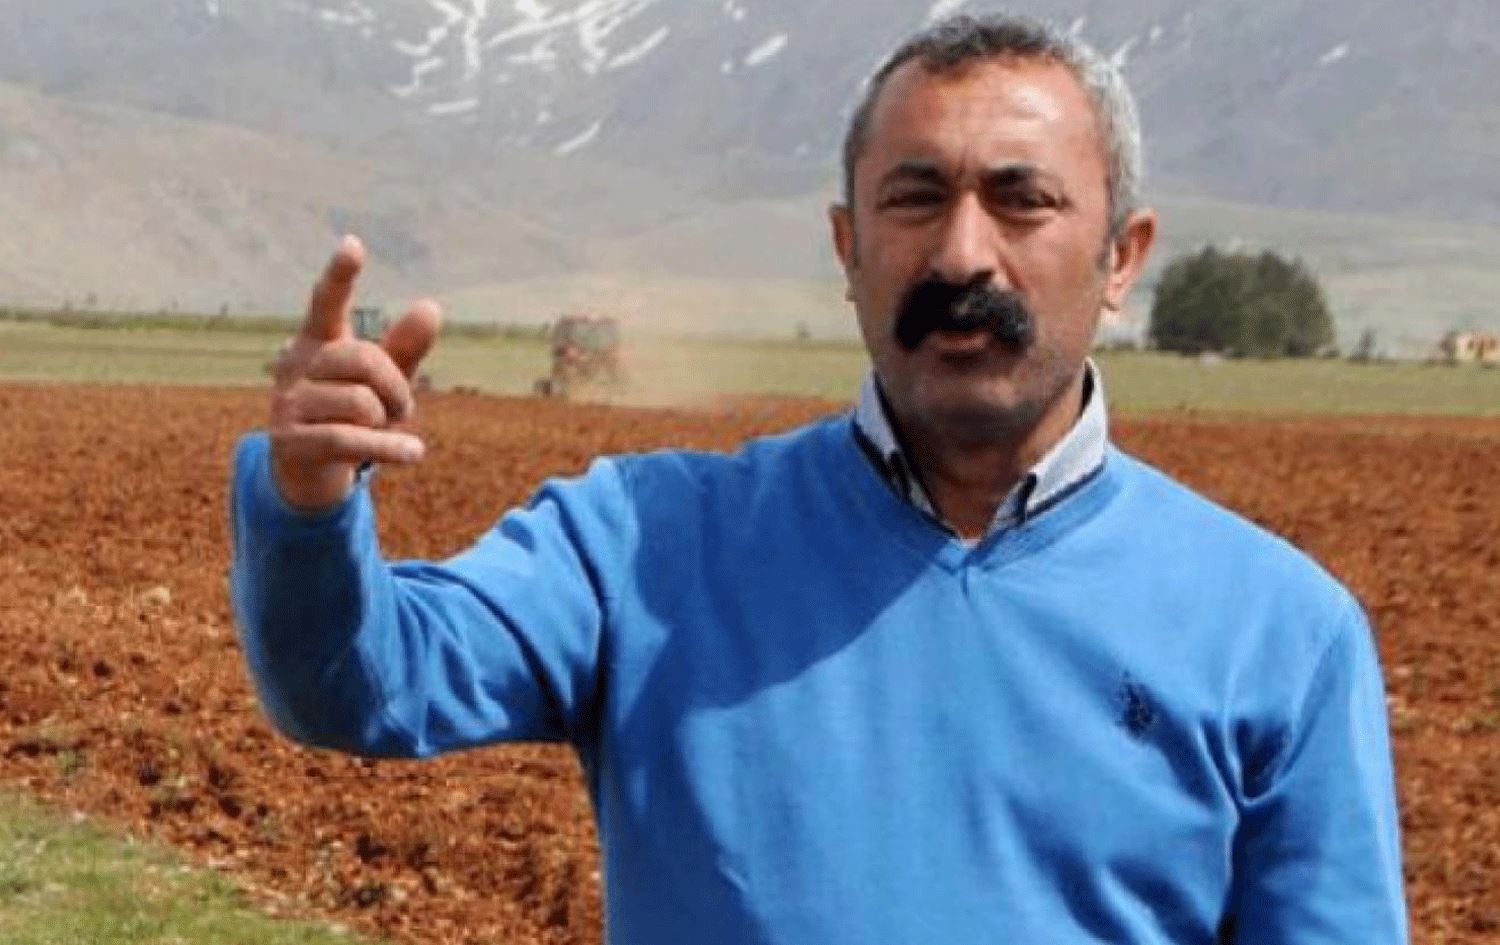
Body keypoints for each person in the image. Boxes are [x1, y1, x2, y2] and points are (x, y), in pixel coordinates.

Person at [231, 13, 1408, 944]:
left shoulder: (1280, 633)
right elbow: (360, 685)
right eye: (914, 199)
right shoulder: (644, 544)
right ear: (849, 249)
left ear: (1121, 259)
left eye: (1022, 200)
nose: (962, 253)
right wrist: (311, 503)